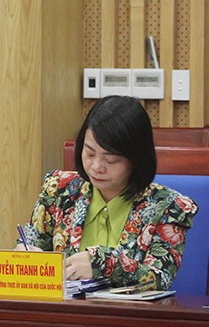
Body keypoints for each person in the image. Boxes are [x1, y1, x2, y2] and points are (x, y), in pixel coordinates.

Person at [18, 96, 197, 290]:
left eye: (110, 160)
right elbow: (30, 245)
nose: (96, 167)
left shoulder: (169, 207)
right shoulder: (58, 190)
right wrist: (24, 256)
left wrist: (103, 264)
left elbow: (160, 279)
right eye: (89, 153)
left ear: (136, 159)